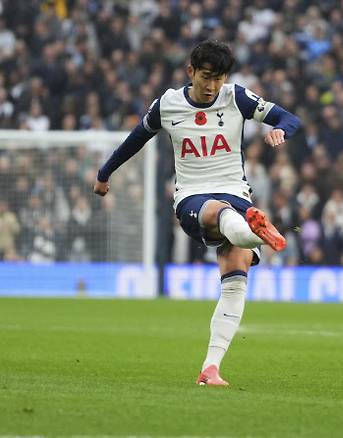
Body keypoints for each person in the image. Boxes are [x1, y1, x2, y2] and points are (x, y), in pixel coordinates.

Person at [93, 40, 301, 386]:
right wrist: (104, 173)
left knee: (236, 278)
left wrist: (280, 130)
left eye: (219, 79)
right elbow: (135, 139)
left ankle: (211, 368)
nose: (212, 87)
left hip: (237, 192)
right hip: (193, 197)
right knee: (220, 213)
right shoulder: (168, 104)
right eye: (206, 77)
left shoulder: (237, 97)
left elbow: (288, 118)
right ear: (191, 71)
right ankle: (256, 229)